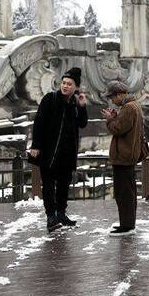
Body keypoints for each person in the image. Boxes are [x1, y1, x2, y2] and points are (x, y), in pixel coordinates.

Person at [30, 67, 88, 232]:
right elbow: (39, 122)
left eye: (69, 84)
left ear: (76, 87)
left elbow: (82, 124)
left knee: (63, 185)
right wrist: (35, 145)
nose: (65, 86)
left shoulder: (76, 103)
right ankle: (51, 216)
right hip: (49, 151)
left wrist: (83, 107)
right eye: (63, 83)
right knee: (48, 185)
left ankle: (61, 213)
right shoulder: (50, 98)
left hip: (67, 153)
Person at [100, 80, 146, 237]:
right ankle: (127, 223)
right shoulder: (134, 106)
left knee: (123, 193)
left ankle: (126, 226)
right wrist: (116, 117)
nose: (112, 101)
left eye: (112, 97)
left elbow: (118, 129)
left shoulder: (128, 108)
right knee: (128, 191)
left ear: (120, 95)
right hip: (128, 156)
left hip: (124, 156)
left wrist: (110, 119)